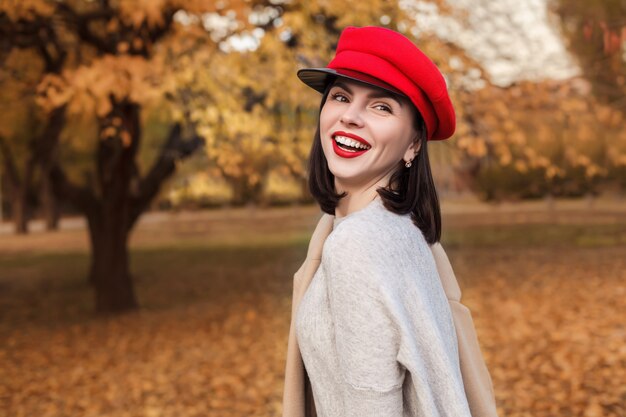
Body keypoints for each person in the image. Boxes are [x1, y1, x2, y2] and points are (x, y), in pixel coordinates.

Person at [282, 26, 497, 417]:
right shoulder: (400, 230)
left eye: (381, 106)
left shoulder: (357, 244)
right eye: (341, 96)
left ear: (413, 144)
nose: (350, 116)